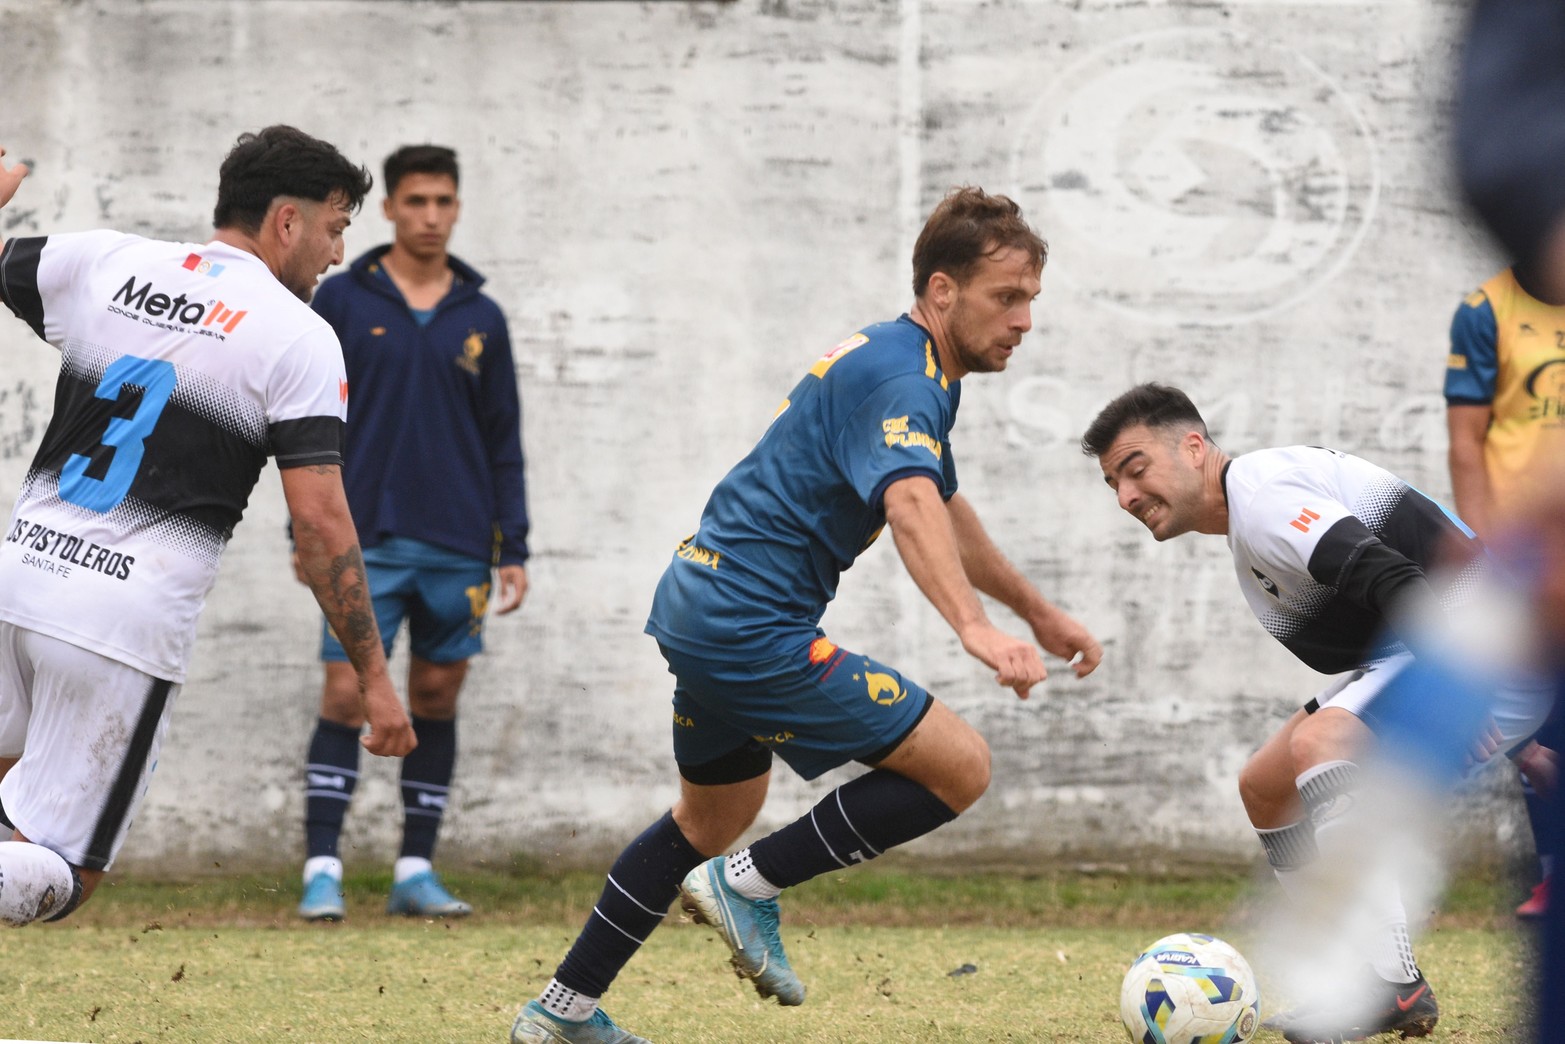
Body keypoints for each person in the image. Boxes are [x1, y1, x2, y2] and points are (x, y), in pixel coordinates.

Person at [508, 186, 1101, 1043]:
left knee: (708, 819)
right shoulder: (904, 377)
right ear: (942, 290)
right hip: (749, 626)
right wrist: (974, 628)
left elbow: (940, 501)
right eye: (1005, 297)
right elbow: (908, 503)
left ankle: (559, 1014)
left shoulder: (906, 363)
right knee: (960, 767)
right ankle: (745, 884)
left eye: (1030, 300)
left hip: (698, 604)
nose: (1024, 321)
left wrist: (1037, 613)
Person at [0, 129, 415, 928]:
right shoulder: (297, 336)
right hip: (117, 623)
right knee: (65, 868)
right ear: (287, 221)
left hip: (18, 580)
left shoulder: (107, 261)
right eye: (335, 228)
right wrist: (373, 675)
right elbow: (320, 522)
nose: (336, 254)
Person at [1080, 382, 1551, 1044]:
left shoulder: (1264, 498)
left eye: (1135, 469)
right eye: (1113, 484)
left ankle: (1392, 985)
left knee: (1321, 742)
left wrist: (1462, 693)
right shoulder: (1251, 514)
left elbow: (1392, 578)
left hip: (1477, 646)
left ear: (1192, 448)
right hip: (1440, 646)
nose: (1126, 497)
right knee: (1265, 786)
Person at [293, 144, 529, 922]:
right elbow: (300, 422)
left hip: (458, 540)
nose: (430, 216)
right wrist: (302, 533)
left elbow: (503, 438)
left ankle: (414, 871)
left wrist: (514, 545)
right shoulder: (341, 300)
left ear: (456, 208)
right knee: (344, 692)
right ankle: (321, 871)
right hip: (362, 537)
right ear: (390, 208)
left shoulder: (481, 316)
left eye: (443, 201)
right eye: (416, 201)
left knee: (435, 693)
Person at [1444, 261, 1565, 920]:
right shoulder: (1485, 309)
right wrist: (1483, 548)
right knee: (1537, 715)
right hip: (1530, 551)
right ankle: (1549, 875)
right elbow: (1466, 442)